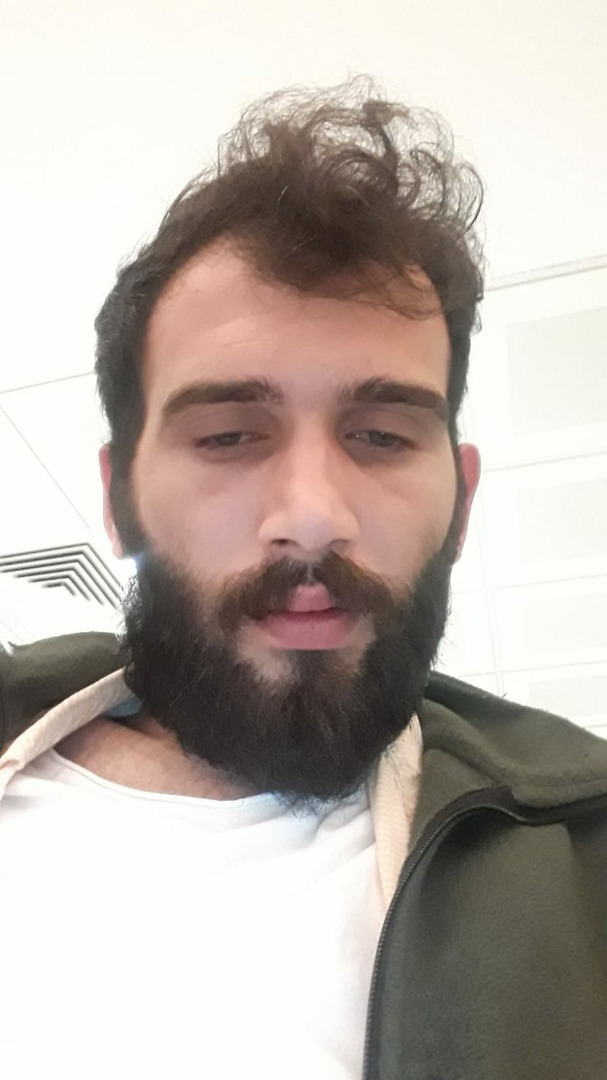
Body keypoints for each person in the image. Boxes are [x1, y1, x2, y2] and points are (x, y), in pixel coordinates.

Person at [1, 78, 606, 1080]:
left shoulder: (584, 862)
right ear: (118, 497)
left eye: (381, 435)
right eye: (229, 436)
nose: (315, 514)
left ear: (460, 498)